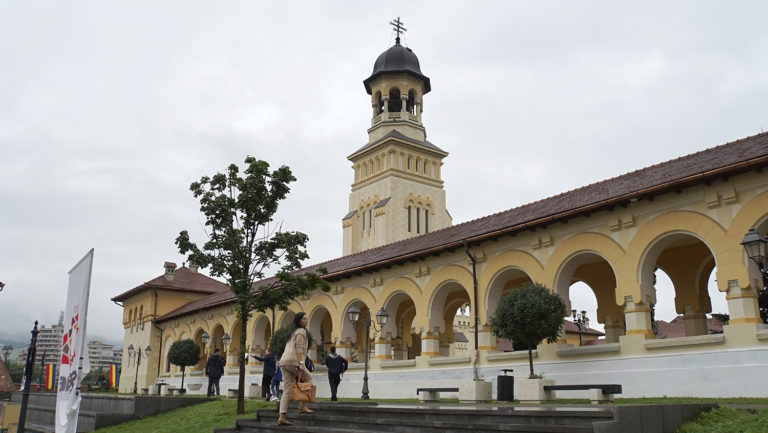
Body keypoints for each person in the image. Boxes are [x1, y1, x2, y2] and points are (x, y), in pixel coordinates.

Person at [277, 312, 314, 426]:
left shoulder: (292, 332)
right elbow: (299, 349)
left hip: (283, 362)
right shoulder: (301, 331)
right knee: (309, 379)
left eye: (307, 319)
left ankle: (282, 417)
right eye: (303, 319)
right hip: (294, 362)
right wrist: (301, 363)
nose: (306, 320)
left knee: (287, 390)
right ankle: (302, 406)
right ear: (298, 320)